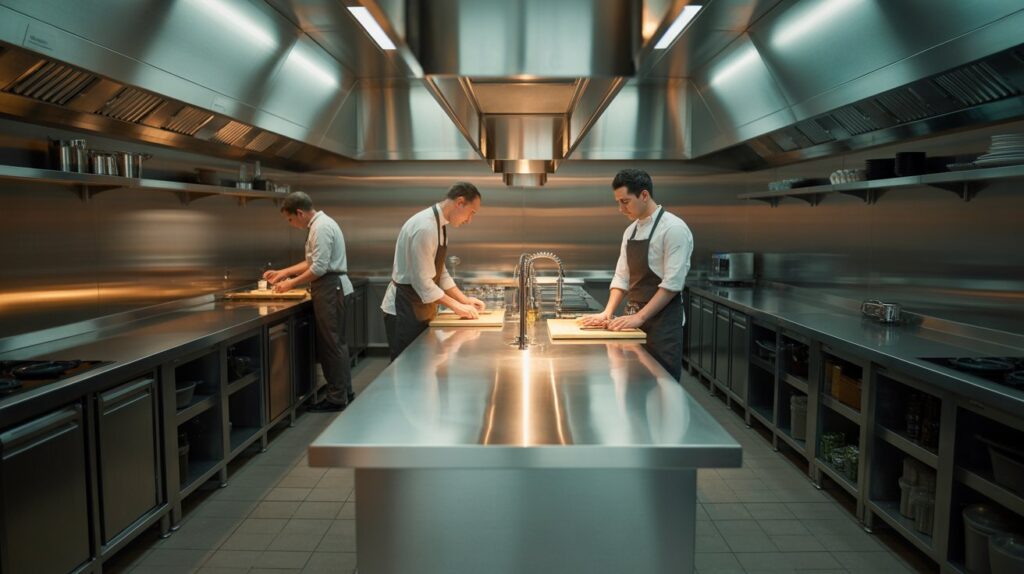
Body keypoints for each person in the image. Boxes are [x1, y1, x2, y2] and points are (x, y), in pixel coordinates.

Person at [580, 169, 694, 380]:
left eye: (625, 201)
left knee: (663, 386)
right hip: (632, 319)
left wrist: (639, 317)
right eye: (618, 202)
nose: (620, 209)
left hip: (663, 325)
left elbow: (672, 284)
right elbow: (622, 276)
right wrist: (608, 312)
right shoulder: (631, 230)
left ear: (644, 195)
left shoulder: (674, 229)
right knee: (633, 384)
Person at [264, 191, 354, 412]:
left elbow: (319, 268)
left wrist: (290, 284)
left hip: (330, 287)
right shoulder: (320, 224)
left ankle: (336, 398)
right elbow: (310, 261)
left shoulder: (320, 227)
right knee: (336, 344)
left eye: (290, 219)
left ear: (300, 212)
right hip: (331, 287)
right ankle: (344, 392)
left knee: (331, 345)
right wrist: (283, 273)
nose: (291, 224)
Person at [382, 182, 486, 360]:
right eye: (471, 213)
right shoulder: (425, 227)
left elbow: (440, 271)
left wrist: (464, 300)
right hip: (404, 308)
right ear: (460, 202)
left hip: (420, 306)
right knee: (407, 369)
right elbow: (423, 283)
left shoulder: (440, 225)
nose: (469, 220)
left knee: (424, 367)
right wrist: (456, 307)